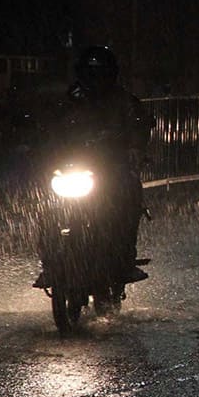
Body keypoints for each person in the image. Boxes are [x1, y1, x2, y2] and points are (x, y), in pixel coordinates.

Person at [52, 45, 154, 281]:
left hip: (113, 166)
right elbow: (50, 129)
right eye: (90, 73)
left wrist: (135, 149)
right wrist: (38, 149)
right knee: (49, 208)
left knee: (129, 198)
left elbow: (140, 124)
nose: (95, 79)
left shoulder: (124, 101)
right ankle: (51, 257)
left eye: (100, 73)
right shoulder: (69, 101)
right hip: (73, 167)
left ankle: (124, 257)